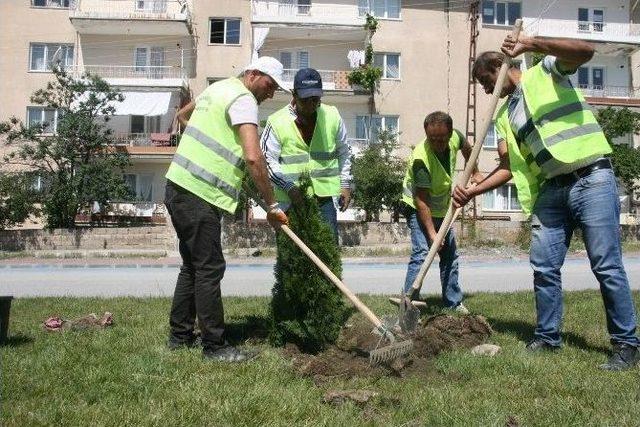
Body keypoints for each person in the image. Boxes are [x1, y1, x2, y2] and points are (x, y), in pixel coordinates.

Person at [452, 34, 640, 370]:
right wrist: (472, 192)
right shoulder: (504, 117)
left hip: (591, 177)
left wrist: (532, 43)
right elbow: (509, 168)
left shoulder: (546, 70)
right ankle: (547, 337)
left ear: (501, 66)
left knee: (606, 265)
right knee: (543, 266)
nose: (484, 90)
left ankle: (626, 344)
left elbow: (586, 52)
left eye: (485, 80)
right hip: (551, 191)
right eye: (481, 84)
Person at [164, 57, 290, 362]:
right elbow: (253, 157)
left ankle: (180, 337)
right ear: (253, 74)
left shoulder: (218, 89)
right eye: (270, 85)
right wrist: (272, 205)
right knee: (209, 268)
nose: (271, 93)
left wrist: (214, 152)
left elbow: (182, 116)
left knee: (193, 266)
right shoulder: (244, 99)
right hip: (199, 194)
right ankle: (215, 347)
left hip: (178, 186)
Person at [260, 68, 352, 242]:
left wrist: (345, 183)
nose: (311, 104)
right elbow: (267, 160)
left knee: (327, 254)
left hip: (325, 200)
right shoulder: (276, 121)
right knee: (292, 258)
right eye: (306, 100)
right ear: (294, 95)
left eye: (315, 99)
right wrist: (288, 187)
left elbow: (344, 152)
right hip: (290, 201)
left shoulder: (332, 115)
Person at [402, 111, 480, 314]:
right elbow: (421, 201)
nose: (437, 144)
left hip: (443, 208)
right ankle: (408, 305)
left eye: (441, 139)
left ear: (450, 133)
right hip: (419, 208)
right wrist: (432, 234)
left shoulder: (456, 136)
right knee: (421, 253)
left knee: (450, 255)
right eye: (432, 139)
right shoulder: (421, 158)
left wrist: (475, 172)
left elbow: (468, 148)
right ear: (426, 134)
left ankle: (453, 302)